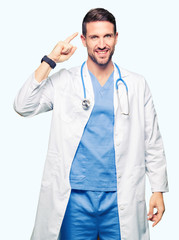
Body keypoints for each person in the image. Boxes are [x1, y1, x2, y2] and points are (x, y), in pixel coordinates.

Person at [14, 8, 169, 240]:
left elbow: (152, 139)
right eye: (95, 37)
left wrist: (158, 189)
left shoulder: (136, 84)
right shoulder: (65, 81)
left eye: (107, 36)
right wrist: (51, 60)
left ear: (116, 37)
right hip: (74, 199)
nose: (102, 43)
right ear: (84, 40)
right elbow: (23, 105)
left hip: (119, 198)